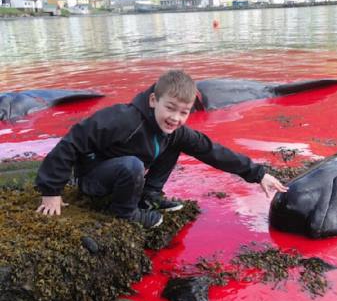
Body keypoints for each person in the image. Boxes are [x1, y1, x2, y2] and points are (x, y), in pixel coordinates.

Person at [35, 70, 288, 228]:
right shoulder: (122, 119)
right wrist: (52, 191)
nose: (175, 117)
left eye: (183, 112)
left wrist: (259, 174)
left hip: (123, 174)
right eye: (170, 107)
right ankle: (125, 213)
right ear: (154, 100)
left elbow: (212, 151)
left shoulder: (175, 128)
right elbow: (71, 142)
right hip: (94, 179)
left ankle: (150, 195)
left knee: (175, 142)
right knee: (132, 164)